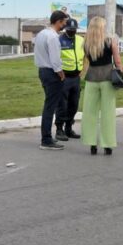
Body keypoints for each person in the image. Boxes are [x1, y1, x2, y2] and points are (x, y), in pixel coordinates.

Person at [81, 16, 123, 155]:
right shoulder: (111, 41)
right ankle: (107, 145)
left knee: (89, 113)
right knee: (108, 113)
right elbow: (117, 61)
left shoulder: (86, 43)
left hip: (91, 79)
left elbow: (86, 62)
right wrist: (122, 73)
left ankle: (91, 144)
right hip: (107, 79)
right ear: (101, 27)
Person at [34, 10, 68, 150]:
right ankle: (46, 139)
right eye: (64, 22)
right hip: (52, 73)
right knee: (50, 106)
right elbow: (55, 60)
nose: (65, 25)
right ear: (58, 21)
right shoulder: (53, 37)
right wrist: (61, 74)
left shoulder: (41, 34)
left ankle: (47, 137)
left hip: (42, 70)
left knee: (49, 105)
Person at [55, 18, 84, 141]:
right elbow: (55, 58)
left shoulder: (81, 40)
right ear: (65, 29)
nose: (72, 32)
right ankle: (59, 129)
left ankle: (68, 127)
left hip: (76, 77)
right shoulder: (59, 40)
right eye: (69, 30)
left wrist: (83, 73)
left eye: (74, 30)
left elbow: (86, 56)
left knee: (74, 104)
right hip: (64, 77)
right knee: (62, 104)